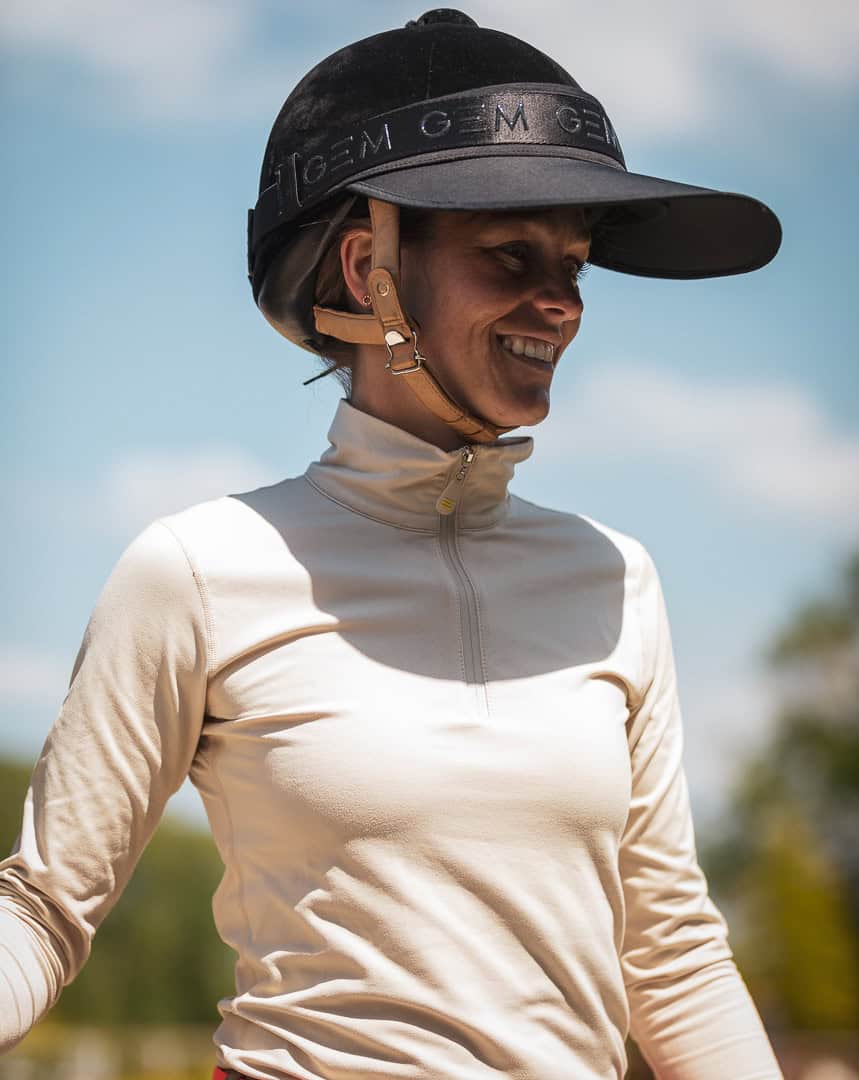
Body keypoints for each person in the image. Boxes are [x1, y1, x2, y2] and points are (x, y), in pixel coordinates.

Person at [0, 9, 785, 1078]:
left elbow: (672, 952)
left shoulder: (615, 578)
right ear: (369, 266)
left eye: (573, 265)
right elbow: (42, 909)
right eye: (509, 254)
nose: (558, 304)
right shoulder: (196, 571)